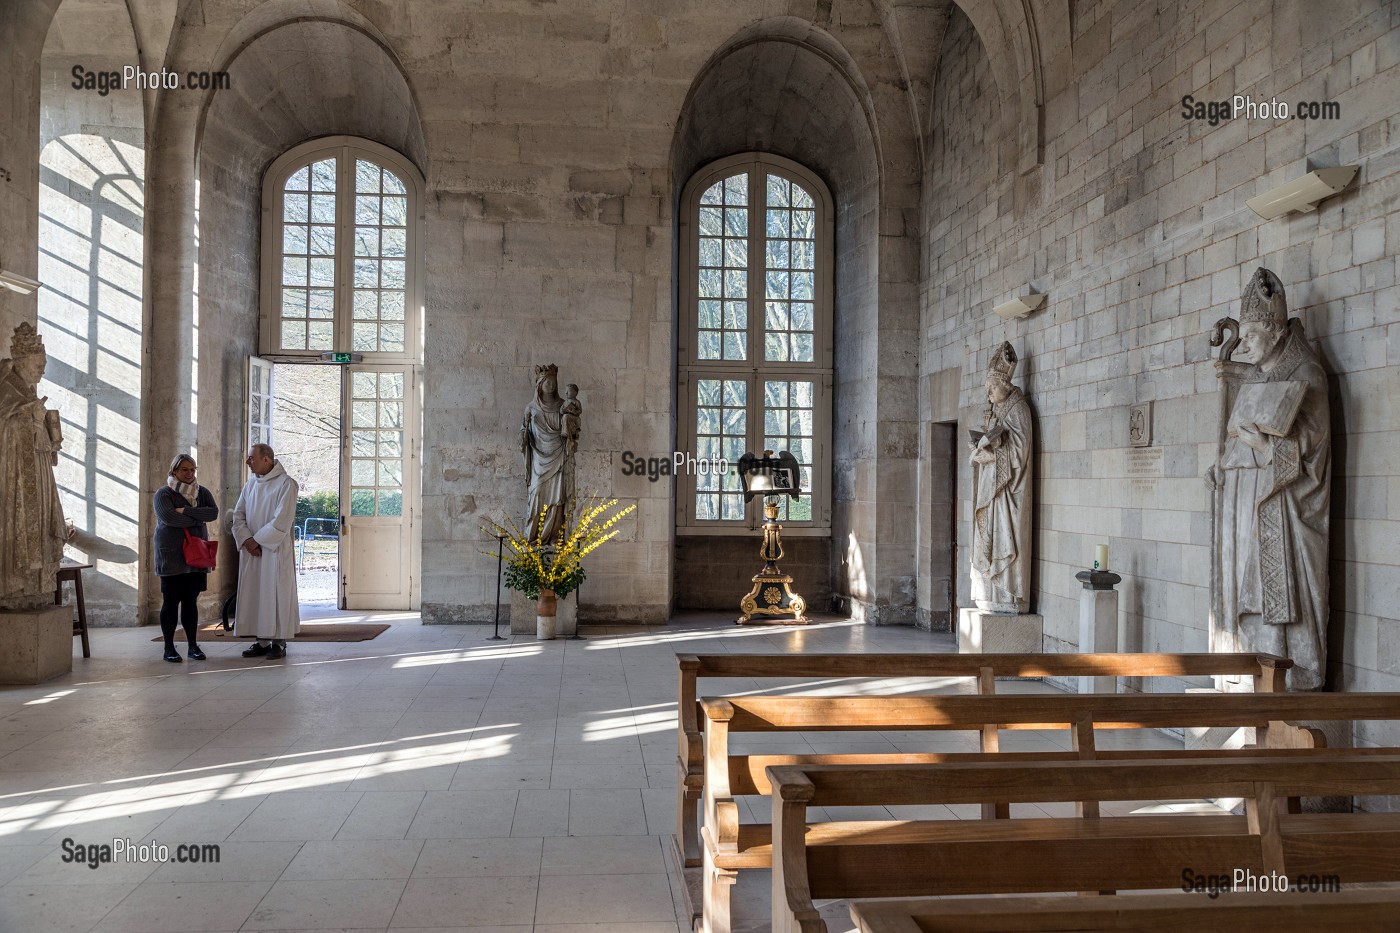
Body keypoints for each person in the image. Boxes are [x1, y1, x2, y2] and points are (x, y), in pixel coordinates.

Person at [1206, 269, 1330, 690]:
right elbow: (1240, 437)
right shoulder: (1258, 377)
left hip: (1291, 512)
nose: (1244, 345)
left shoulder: (1307, 375)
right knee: (1255, 590)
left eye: (1252, 336)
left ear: (1276, 331)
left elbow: (1311, 453)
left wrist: (1263, 447)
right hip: (1254, 509)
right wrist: (1223, 464)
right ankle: (1258, 673)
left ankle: (1296, 678)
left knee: (1291, 595)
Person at [0, 323, 68, 611]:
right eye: (37, 365)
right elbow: (6, 426)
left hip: (38, 474)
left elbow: (34, 433)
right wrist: (29, 419)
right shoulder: (6, 390)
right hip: (14, 475)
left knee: (39, 526)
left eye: (44, 365)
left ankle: (35, 588)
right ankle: (17, 587)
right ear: (20, 361)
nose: (41, 370)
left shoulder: (27, 393)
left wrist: (48, 434)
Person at [968, 341, 1034, 614]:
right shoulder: (997, 411)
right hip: (991, 485)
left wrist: (992, 453)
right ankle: (989, 592)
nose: (989, 394)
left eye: (992, 388)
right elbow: (997, 442)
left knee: (1004, 541)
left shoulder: (1019, 409)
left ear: (1005, 386)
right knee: (986, 538)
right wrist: (980, 445)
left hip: (1008, 493)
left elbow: (1020, 452)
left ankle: (1005, 594)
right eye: (987, 389)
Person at [230, 443, 300, 658]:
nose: (248, 462)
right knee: (255, 594)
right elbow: (238, 515)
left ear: (267, 460)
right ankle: (261, 641)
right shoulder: (250, 484)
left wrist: (257, 541)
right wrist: (247, 540)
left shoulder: (287, 484)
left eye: (252, 458)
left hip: (273, 550)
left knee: (275, 592)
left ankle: (279, 641)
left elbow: (281, 521)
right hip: (253, 550)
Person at [153, 454, 219, 661]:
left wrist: (186, 511)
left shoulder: (202, 492)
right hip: (171, 555)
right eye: (184, 470)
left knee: (191, 601)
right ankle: (169, 648)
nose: (189, 473)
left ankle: (193, 646)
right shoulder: (164, 494)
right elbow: (170, 518)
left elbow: (213, 514)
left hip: (196, 555)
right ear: (174, 472)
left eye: (192, 469)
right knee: (171, 602)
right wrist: (197, 518)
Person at [519, 364, 576, 545]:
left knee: (556, 498)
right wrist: (523, 437)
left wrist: (572, 430)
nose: (550, 385)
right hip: (538, 458)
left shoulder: (563, 406)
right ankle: (533, 538)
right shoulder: (531, 408)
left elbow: (573, 428)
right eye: (547, 382)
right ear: (539, 385)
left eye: (553, 382)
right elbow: (524, 430)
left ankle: (553, 537)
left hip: (558, 455)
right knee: (536, 494)